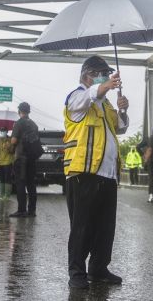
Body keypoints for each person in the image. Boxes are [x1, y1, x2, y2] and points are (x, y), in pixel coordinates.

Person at [63, 55, 129, 289]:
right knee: (82, 226)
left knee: (105, 227)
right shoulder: (78, 97)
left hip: (107, 174)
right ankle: (77, 273)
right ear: (86, 75)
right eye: (100, 73)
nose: (105, 76)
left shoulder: (106, 104)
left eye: (106, 73)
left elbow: (120, 128)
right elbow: (83, 100)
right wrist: (103, 87)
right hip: (83, 172)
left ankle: (99, 269)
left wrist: (123, 110)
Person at [9, 102, 39, 218]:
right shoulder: (34, 125)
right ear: (29, 111)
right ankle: (32, 211)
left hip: (21, 157)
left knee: (20, 183)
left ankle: (21, 210)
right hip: (32, 158)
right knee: (31, 184)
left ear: (19, 111)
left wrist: (10, 146)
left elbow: (14, 141)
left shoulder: (18, 123)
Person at [0, 127, 15, 200]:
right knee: (2, 179)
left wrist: (8, 147)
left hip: (8, 162)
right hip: (0, 162)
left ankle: (7, 195)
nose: (3, 132)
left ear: (7, 131)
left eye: (4, 131)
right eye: (2, 131)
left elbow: (12, 151)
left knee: (7, 179)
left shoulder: (10, 140)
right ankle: (1, 194)